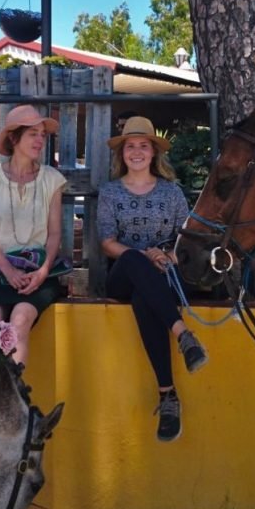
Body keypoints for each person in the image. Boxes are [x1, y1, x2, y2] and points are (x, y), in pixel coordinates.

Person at [97, 115, 208, 443]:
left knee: (146, 298)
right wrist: (148, 255)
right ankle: (183, 334)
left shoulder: (172, 193)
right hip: (122, 274)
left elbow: (185, 241)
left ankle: (168, 395)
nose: (136, 152)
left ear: (153, 152)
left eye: (142, 146)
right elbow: (107, 242)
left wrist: (168, 257)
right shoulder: (110, 192)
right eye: (130, 146)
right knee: (133, 258)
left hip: (164, 275)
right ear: (122, 154)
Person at [0, 105, 68, 367]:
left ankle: (12, 399)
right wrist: (8, 271)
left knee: (21, 320)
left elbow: (55, 232)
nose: (40, 140)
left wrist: (44, 271)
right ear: (14, 138)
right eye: (32, 134)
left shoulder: (52, 179)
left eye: (42, 135)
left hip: (38, 271)